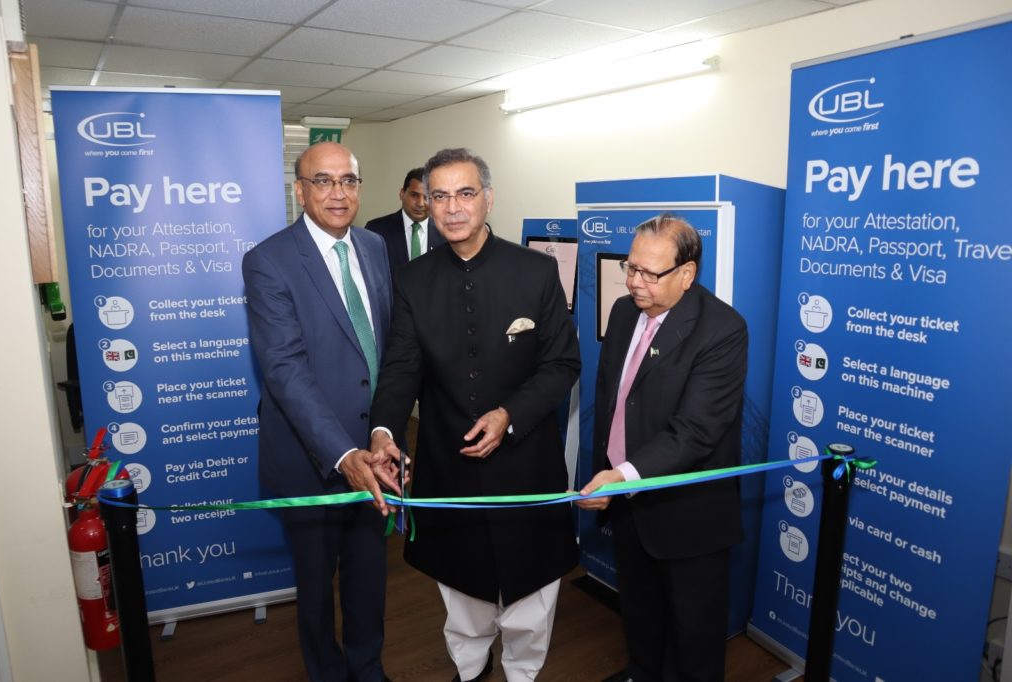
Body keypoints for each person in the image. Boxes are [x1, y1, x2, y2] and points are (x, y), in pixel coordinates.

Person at [369, 148, 580, 682]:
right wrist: (383, 432)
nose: (453, 208)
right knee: (461, 593)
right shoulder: (413, 280)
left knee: (532, 595)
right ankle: (469, 668)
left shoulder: (535, 270)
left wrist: (509, 414)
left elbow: (562, 363)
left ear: (488, 198)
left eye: (465, 194)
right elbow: (400, 369)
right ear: (427, 203)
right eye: (439, 196)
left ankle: (523, 671)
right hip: (448, 463)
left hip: (526, 459)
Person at [242, 141, 399, 682]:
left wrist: (381, 432)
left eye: (349, 181)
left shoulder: (376, 247)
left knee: (368, 579)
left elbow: (382, 353)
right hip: (311, 461)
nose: (339, 193)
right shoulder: (268, 260)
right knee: (316, 589)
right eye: (324, 181)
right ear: (300, 189)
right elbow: (284, 370)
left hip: (374, 460)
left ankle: (368, 668)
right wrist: (343, 452)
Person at [576, 214, 748, 682]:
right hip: (629, 501)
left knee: (695, 634)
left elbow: (695, 431)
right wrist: (607, 472)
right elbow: (613, 400)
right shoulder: (623, 311)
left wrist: (623, 474)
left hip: (688, 514)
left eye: (650, 273)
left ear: (687, 274)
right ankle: (642, 672)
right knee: (641, 609)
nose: (635, 282)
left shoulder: (722, 330)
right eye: (630, 268)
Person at [364, 167, 444, 274]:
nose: (420, 203)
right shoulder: (376, 230)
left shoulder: (446, 235)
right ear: (402, 194)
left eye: (427, 197)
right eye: (414, 195)